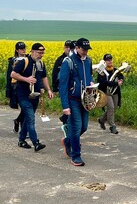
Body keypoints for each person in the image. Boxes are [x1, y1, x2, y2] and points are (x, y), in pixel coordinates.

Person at [59, 38, 95, 166]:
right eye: (83, 49)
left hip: (85, 99)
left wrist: (91, 83)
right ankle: (76, 155)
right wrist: (65, 106)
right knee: (76, 127)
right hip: (73, 99)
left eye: (87, 49)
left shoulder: (89, 61)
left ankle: (68, 141)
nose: (85, 52)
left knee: (84, 127)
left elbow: (89, 76)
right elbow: (62, 85)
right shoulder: (68, 62)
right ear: (77, 48)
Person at [12, 43, 52, 151]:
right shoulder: (24, 62)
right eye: (39, 53)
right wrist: (26, 79)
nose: (41, 55)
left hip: (36, 95)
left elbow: (44, 77)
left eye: (42, 53)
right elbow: (13, 74)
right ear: (32, 52)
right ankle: (36, 143)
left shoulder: (41, 63)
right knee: (30, 118)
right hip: (23, 95)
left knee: (26, 118)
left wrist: (48, 89)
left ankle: (21, 140)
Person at [96, 53, 124, 134]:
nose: (109, 61)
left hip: (115, 92)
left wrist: (121, 80)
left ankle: (102, 120)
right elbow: (102, 82)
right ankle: (112, 126)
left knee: (114, 108)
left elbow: (121, 76)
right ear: (104, 61)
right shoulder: (101, 71)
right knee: (111, 107)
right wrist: (115, 83)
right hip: (106, 92)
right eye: (107, 60)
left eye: (110, 59)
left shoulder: (115, 70)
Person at [5, 42, 27, 133]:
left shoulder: (28, 59)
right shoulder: (13, 60)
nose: (23, 50)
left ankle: (18, 120)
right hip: (16, 87)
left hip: (27, 86)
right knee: (25, 108)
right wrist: (8, 91)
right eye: (21, 49)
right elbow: (9, 76)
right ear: (17, 50)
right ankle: (23, 130)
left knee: (26, 108)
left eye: (24, 48)